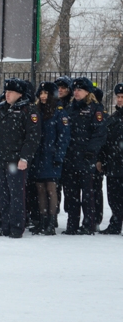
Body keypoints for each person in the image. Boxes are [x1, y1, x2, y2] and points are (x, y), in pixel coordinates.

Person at [0, 78, 41, 238]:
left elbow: (32, 137)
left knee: (16, 195)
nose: (7, 94)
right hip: (2, 159)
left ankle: (17, 226)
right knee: (2, 195)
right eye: (6, 91)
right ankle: (5, 225)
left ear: (19, 94)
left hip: (16, 160)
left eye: (11, 92)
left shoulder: (28, 110)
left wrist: (25, 158)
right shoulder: (2, 109)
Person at [61, 77, 107, 234]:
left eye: (79, 89)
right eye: (75, 90)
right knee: (71, 193)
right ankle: (72, 224)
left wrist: (91, 151)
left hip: (86, 157)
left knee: (88, 194)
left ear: (87, 92)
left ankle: (88, 224)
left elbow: (99, 133)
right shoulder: (70, 108)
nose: (76, 92)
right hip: (70, 157)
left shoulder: (95, 109)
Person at [29, 82, 70, 235]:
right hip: (39, 156)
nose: (43, 96)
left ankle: (51, 222)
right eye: (41, 93)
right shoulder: (37, 111)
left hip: (52, 156)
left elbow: (63, 137)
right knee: (40, 189)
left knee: (51, 189)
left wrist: (58, 156)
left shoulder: (60, 112)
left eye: (46, 93)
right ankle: (43, 219)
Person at [98, 83, 123, 234]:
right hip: (114, 164)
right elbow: (105, 142)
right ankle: (115, 223)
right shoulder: (113, 119)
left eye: (122, 97)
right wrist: (101, 159)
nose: (120, 100)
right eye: (118, 97)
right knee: (114, 197)